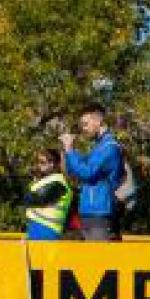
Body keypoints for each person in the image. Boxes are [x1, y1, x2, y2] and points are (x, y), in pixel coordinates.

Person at [60, 103, 125, 242]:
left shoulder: (109, 147)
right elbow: (75, 172)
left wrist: (71, 150)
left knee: (99, 261)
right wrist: (67, 152)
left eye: (85, 124)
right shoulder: (98, 147)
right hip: (89, 212)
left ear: (98, 120)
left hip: (100, 213)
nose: (84, 129)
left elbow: (87, 172)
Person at [23, 149, 72, 241]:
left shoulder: (58, 182)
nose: (39, 165)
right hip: (38, 227)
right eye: (38, 162)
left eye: (42, 162)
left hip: (46, 229)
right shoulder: (48, 180)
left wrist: (26, 195)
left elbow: (39, 200)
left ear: (52, 164)